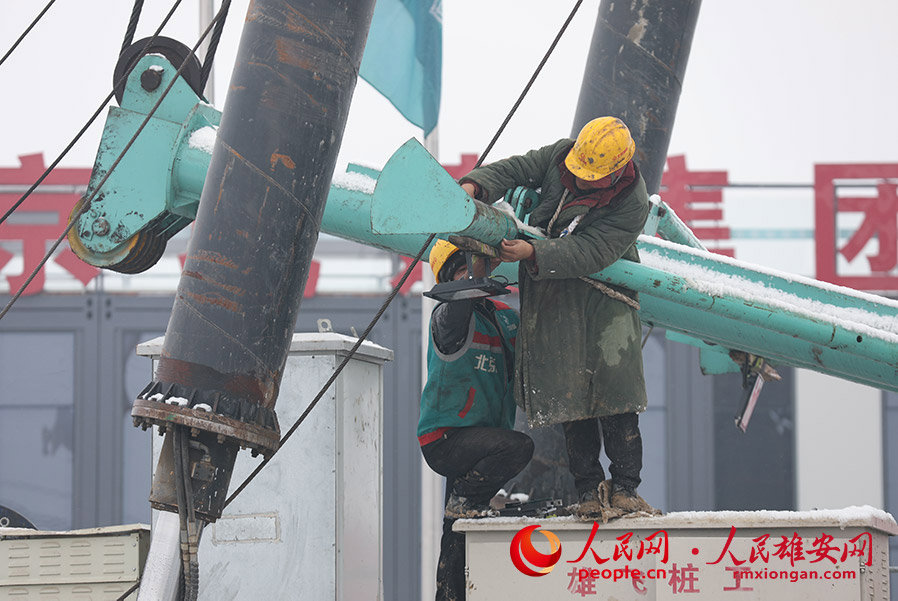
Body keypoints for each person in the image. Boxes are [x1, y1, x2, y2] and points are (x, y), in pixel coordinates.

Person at [457, 116, 658, 519]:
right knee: (567, 397)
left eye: (590, 178)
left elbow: (593, 251)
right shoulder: (565, 156)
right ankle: (587, 490)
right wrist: (475, 185)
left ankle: (625, 490)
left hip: (605, 303)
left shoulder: (632, 201)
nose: (579, 182)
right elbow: (516, 167)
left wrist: (535, 254)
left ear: (617, 171)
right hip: (555, 294)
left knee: (615, 398)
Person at [418, 239, 534, 601]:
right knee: (519, 446)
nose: (477, 272)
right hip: (447, 440)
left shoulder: (503, 318)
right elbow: (462, 299)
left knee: (456, 530)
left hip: (481, 442)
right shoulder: (448, 318)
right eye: (466, 267)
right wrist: (474, 268)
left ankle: (450, 595)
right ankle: (468, 500)